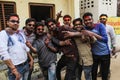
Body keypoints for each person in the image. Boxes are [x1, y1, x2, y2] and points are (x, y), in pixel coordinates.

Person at [62, 12, 110, 80]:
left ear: (92, 19)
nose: (88, 21)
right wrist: (72, 33)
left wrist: (91, 33)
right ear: (84, 22)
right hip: (94, 54)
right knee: (93, 74)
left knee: (104, 74)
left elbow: (105, 39)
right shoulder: (85, 28)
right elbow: (80, 32)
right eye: (86, 20)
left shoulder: (100, 26)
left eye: (89, 19)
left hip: (104, 53)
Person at [0, 13, 33, 80]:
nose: (16, 23)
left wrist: (31, 59)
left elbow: (25, 48)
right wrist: (14, 69)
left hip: (26, 64)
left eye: (17, 21)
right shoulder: (3, 34)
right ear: (7, 22)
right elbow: (3, 53)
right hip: (16, 68)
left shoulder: (20, 33)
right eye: (13, 21)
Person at [46, 16, 78, 80]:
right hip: (65, 56)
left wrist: (72, 34)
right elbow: (57, 48)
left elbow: (77, 33)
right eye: (49, 26)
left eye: (52, 24)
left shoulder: (64, 28)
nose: (51, 27)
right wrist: (48, 45)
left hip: (73, 57)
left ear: (55, 24)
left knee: (69, 77)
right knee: (57, 69)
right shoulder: (54, 35)